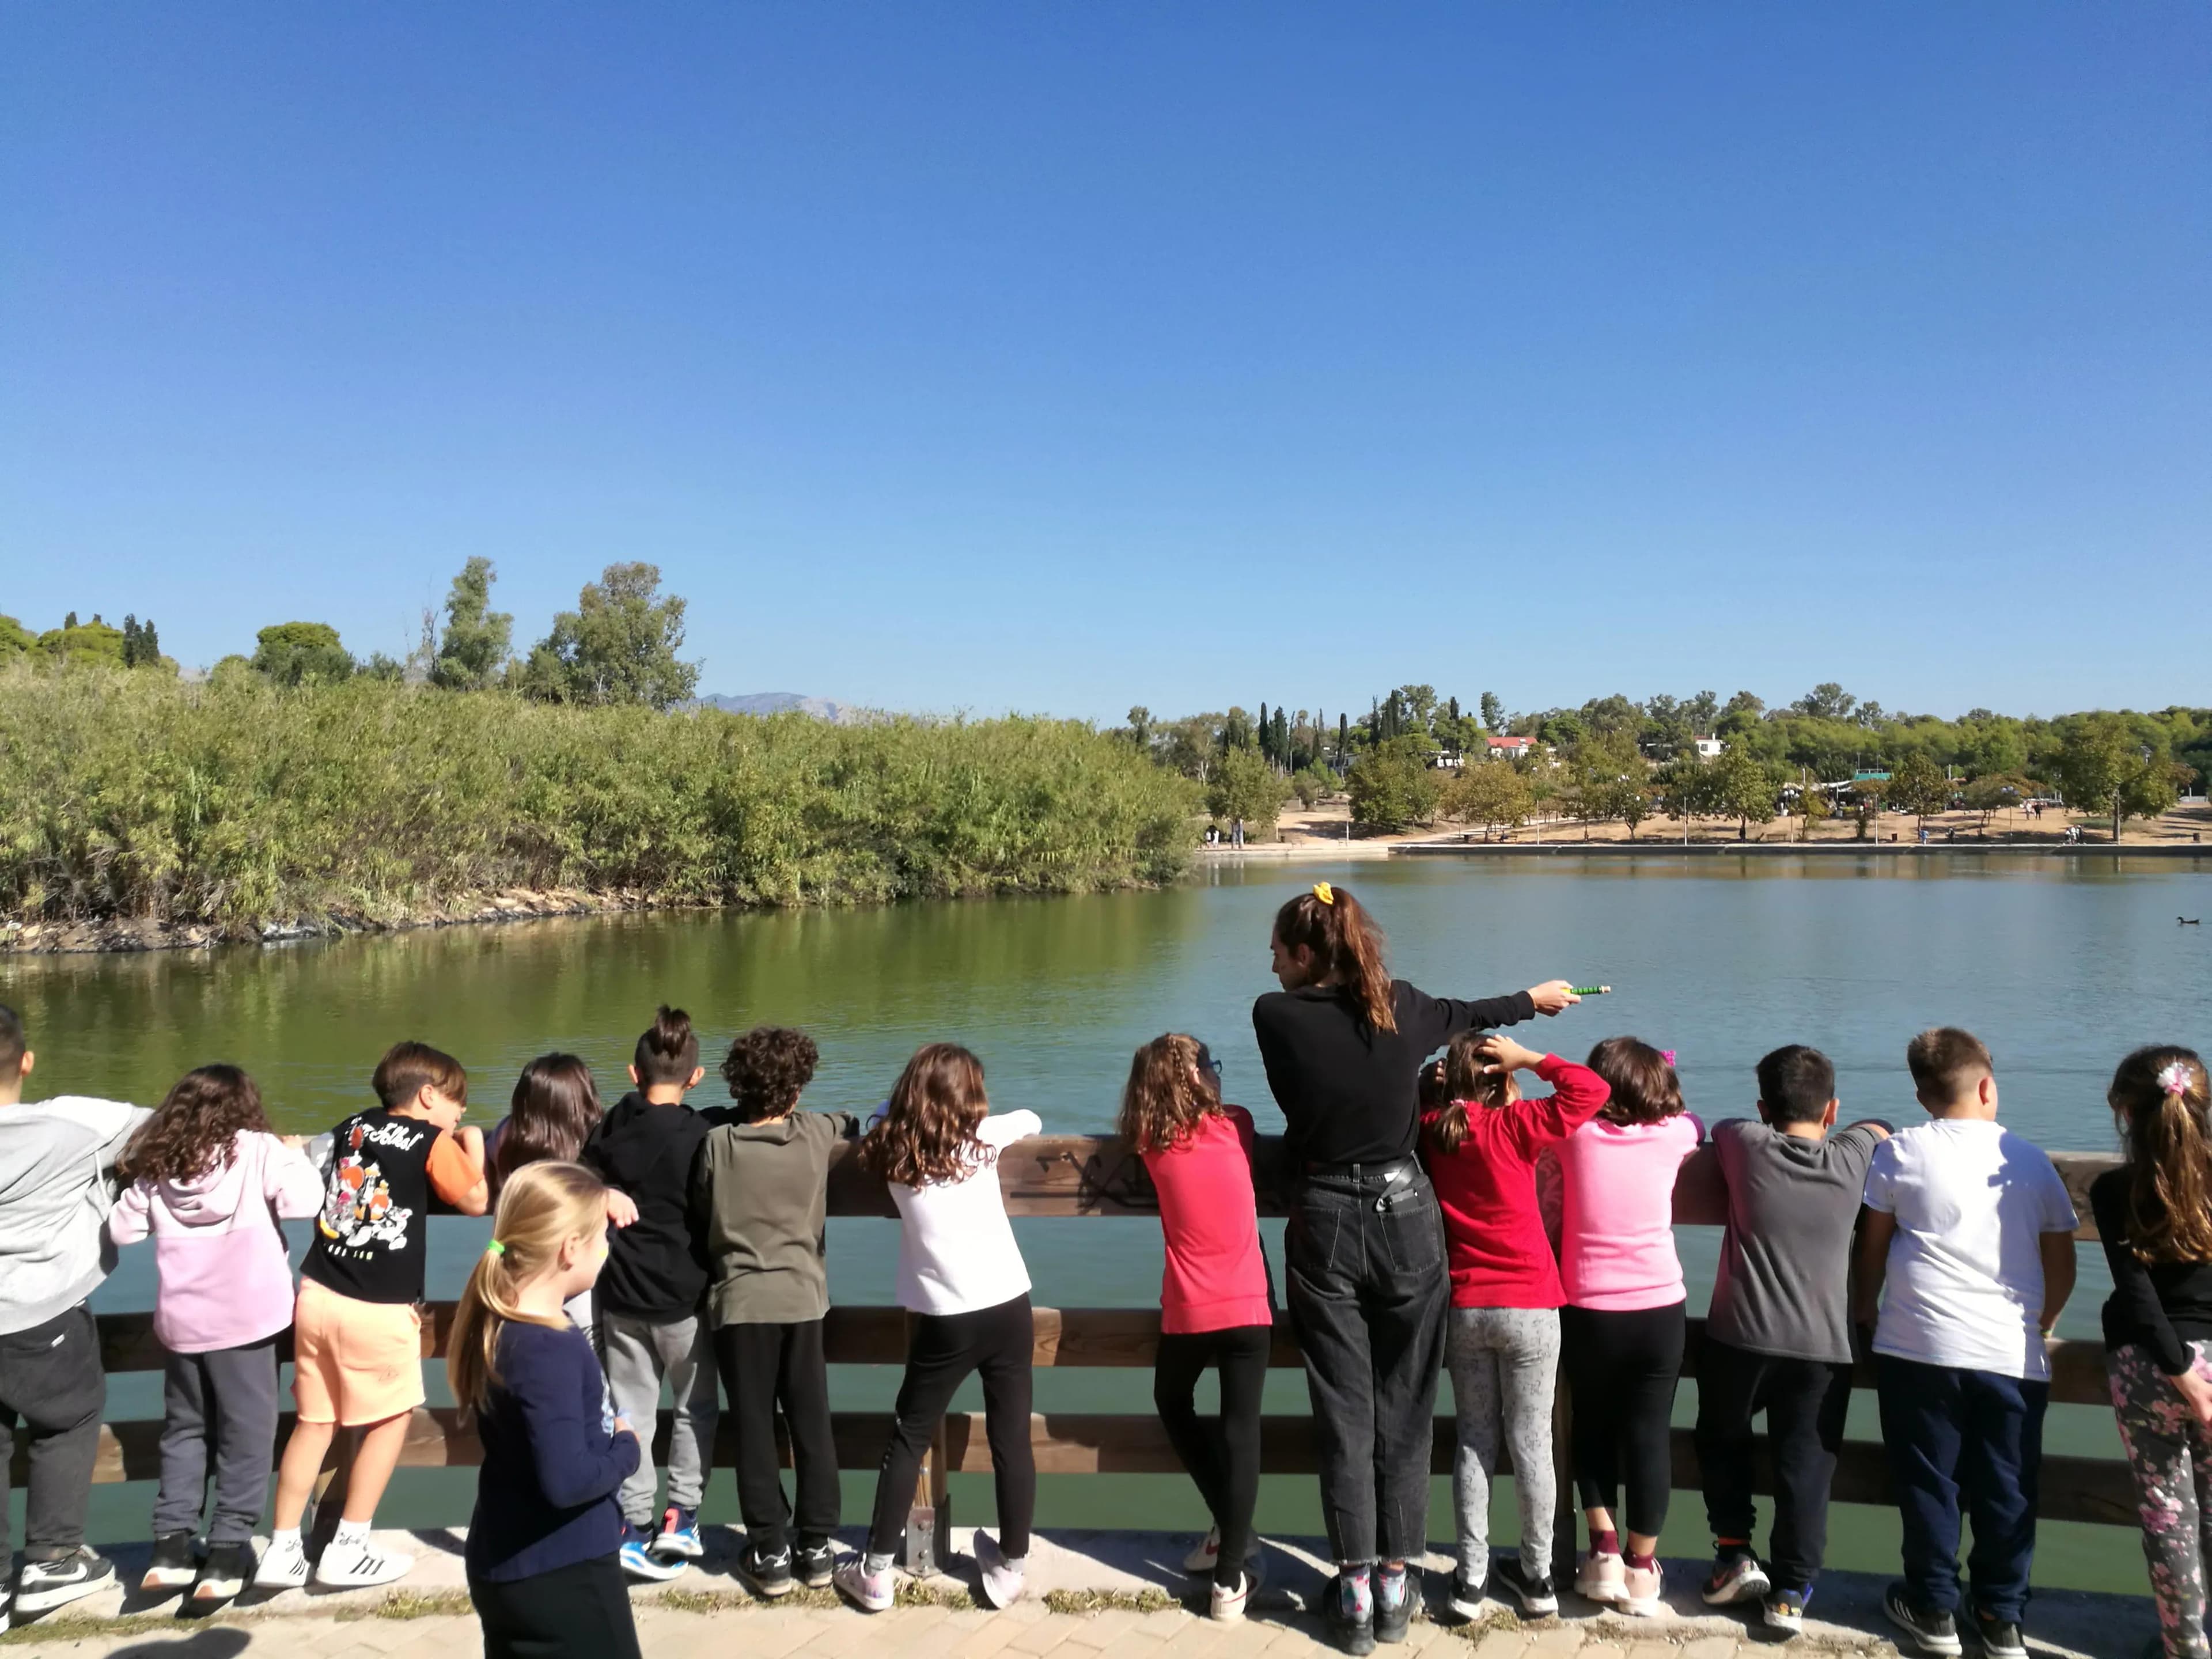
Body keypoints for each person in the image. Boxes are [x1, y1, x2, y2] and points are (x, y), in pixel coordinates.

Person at [1250, 881, 1578, 1654]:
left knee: (1344, 1407)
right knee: (1406, 1404)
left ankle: (1355, 1590)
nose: (1271, 964)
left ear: (1307, 954)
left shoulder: (1275, 1016)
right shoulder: (1401, 1005)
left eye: (1278, 950)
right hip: (1406, 1214)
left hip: (1325, 1215)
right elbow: (1467, 1014)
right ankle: (1398, 1584)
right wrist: (1531, 1002)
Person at [1854, 1028, 2078, 1659]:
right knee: (2009, 1485)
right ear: (1986, 1087)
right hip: (2011, 1352)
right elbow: (2061, 1263)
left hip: (1917, 1346)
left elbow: (1872, 1248)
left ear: (1922, 1097)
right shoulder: (2028, 1160)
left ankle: (1933, 1608)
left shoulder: (1899, 1151)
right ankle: (2001, 1615)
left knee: (1930, 1482)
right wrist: (2045, 1320)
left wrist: (1863, 1308)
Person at [257, 1040, 489, 1592]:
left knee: (316, 1423)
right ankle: (350, 1545)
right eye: (456, 1101)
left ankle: (283, 1549)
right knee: (391, 1420)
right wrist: (475, 1143)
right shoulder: (433, 1140)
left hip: (317, 1294)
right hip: (379, 1307)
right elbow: (476, 1199)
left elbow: (308, 1157)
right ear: (428, 1096)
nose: (460, 1112)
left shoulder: (353, 1126)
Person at [835, 1044, 1040, 1615]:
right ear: (969, 1097)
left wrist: (900, 1107)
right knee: (1012, 1438)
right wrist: (984, 1121)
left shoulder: (891, 1147)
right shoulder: (984, 1140)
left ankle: (876, 1572)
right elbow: (1031, 1120)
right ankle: (1012, 1567)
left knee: (909, 1437)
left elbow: (878, 1115)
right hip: (1009, 1305)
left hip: (947, 1319)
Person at [108, 1066, 324, 1605]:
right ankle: (228, 1552)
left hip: (184, 1325)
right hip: (249, 1322)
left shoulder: (163, 1163)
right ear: (244, 1108)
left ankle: (170, 1549)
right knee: (246, 1435)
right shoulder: (258, 1150)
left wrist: (142, 1185)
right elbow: (306, 1202)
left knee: (184, 1431)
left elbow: (122, 1230)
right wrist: (293, 1153)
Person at [1695, 1045, 1890, 1636]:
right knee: (1807, 1467)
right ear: (1832, 1110)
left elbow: (1719, 1127)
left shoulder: (1742, 1140)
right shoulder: (1853, 1155)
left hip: (1738, 1337)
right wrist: (1849, 1128)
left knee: (1721, 1439)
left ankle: (1734, 1554)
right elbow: (1881, 1126)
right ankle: (1790, 1593)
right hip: (1824, 1348)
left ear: (1763, 1108)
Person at [1421, 1029, 1610, 1623]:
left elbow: (1403, 1102)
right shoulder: (1517, 1125)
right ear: (1503, 1081)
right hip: (1530, 1306)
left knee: (1475, 1441)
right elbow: (1592, 1090)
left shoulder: (1434, 1129)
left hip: (1467, 1306)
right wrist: (1531, 1058)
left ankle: (1470, 1581)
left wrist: (1431, 1084)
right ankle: (1538, 1578)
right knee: (1533, 1444)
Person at [0, 1001, 151, 1626]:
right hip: (42, 1312)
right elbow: (168, 1128)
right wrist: (106, 1184)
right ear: (27, 1062)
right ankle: (52, 1561)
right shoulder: (72, 1125)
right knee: (68, 1419)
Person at [454, 1161, 643, 1659]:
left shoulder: (503, 1319)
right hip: (563, 1571)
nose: (607, 1250)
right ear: (570, 1249)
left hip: (509, 1553)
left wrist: (600, 1202)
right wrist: (627, 1450)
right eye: (601, 1240)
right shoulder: (547, 1350)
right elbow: (568, 1482)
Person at [694, 1027, 858, 1597]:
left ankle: (769, 1550)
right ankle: (817, 1545)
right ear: (798, 1089)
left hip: (740, 1304)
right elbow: (850, 1121)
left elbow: (702, 1207)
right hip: (804, 1301)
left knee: (755, 1426)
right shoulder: (815, 1133)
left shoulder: (717, 1143)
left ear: (737, 1086)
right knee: (811, 1420)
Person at [1119, 1035, 1274, 1623]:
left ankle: (1231, 1534)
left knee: (1171, 1399)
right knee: (1242, 1433)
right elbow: (1227, 1114)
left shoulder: (1148, 1141)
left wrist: (1178, 1081)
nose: (1217, 1073)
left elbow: (1146, 1118)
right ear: (1196, 1078)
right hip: (1250, 1306)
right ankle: (1229, 1577)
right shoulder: (1237, 1125)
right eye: (1211, 1066)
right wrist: (1201, 1083)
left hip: (1190, 1307)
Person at [1551, 1037, 1702, 1618]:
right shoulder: (1675, 1135)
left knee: (1590, 1427)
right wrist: (1664, 1078)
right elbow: (1695, 1120)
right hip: (1659, 1308)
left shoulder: (1574, 1134)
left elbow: (1566, 1100)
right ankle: (1642, 1570)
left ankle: (1604, 1554)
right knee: (1649, 1434)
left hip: (1588, 1308)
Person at [581, 1007, 719, 1579]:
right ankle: (680, 1517)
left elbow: (575, 1179)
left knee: (630, 1411)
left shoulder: (607, 1130)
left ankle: (632, 1521)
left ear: (634, 1075)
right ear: (697, 1077)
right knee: (694, 1409)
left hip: (621, 1297)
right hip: (685, 1299)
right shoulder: (702, 1135)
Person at [2092, 1047, 2212, 1659]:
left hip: (2147, 1368)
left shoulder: (2116, 1189)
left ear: (2124, 1112)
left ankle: (2184, 1645)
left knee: (2168, 1513)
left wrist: (2178, 1369)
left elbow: (2136, 1293)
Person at [488, 1055, 634, 1334]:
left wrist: (469, 1136)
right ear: (583, 1102)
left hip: (517, 1278)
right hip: (577, 1282)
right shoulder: (590, 1146)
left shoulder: (506, 1139)